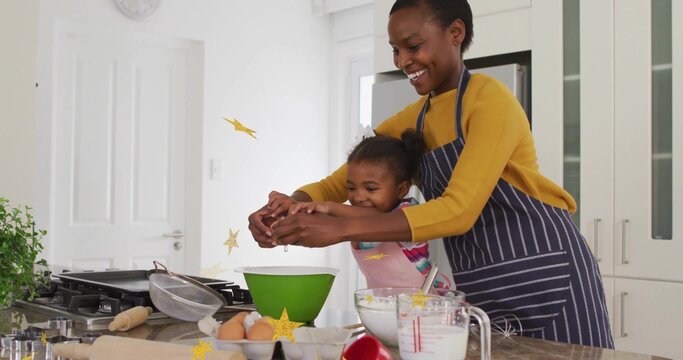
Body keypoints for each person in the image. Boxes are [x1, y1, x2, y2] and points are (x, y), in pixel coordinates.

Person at [248, 0, 613, 348]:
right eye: (396, 49)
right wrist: (289, 207)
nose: (404, 61)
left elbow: (458, 210)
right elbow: (336, 184)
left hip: (547, 273)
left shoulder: (490, 101)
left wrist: (341, 228)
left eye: (413, 46)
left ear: (456, 33)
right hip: (483, 281)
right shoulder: (414, 119)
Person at [287, 130, 450, 289]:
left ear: (401, 190)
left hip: (423, 308)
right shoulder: (353, 218)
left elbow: (378, 218)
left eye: (371, 189)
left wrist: (328, 206)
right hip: (382, 307)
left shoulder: (407, 213)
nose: (358, 197)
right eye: (351, 188)